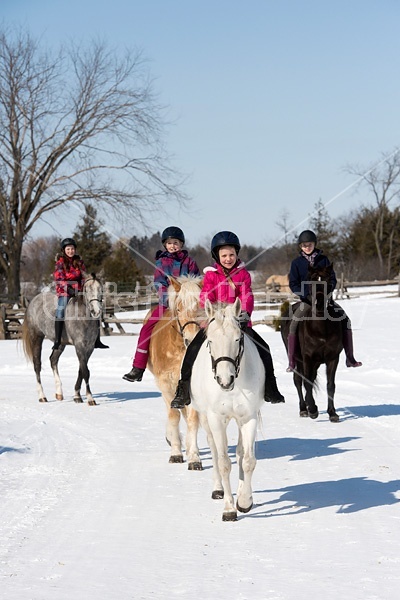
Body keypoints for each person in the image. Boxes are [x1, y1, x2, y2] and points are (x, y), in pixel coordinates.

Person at [170, 231, 285, 409]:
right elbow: (206, 295)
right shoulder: (211, 275)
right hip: (215, 322)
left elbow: (246, 295)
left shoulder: (243, 275)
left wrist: (245, 313)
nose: (228, 258)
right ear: (217, 256)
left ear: (236, 254)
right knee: (192, 350)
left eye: (231, 255)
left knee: (264, 348)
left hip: (238, 322)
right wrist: (209, 313)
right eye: (224, 255)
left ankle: (271, 387)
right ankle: (183, 389)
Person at [122, 226, 200, 382]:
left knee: (203, 326)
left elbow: (196, 280)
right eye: (170, 243)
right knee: (147, 328)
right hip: (167, 304)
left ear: (181, 244)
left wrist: (193, 297)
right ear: (165, 245)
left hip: (188, 304)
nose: (173, 246)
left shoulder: (190, 262)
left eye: (176, 242)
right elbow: (159, 283)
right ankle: (138, 366)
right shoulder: (161, 262)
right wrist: (168, 298)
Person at [286, 229, 362, 372]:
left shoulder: (324, 260)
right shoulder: (296, 263)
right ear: (300, 246)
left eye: (309, 244)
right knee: (294, 323)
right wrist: (306, 294)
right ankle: (292, 361)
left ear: (314, 244)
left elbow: (332, 279)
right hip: (307, 301)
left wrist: (327, 292)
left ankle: (350, 357)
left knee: (346, 320)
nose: (307, 247)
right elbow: (293, 284)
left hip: (326, 300)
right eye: (304, 245)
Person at [53, 238, 109, 351]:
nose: (70, 251)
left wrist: (86, 284)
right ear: (64, 250)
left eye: (72, 249)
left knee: (94, 307)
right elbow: (59, 278)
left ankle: (97, 340)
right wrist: (68, 289)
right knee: (60, 311)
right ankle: (57, 341)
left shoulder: (79, 262)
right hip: (64, 291)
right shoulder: (60, 262)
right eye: (68, 249)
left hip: (79, 291)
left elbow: (83, 276)